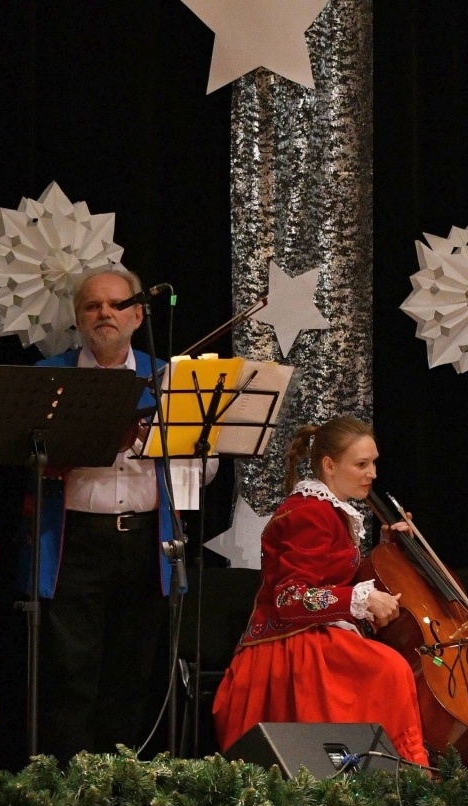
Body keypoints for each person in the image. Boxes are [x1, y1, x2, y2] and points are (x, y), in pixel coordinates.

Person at [31, 266, 211, 760]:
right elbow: (26, 460)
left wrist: (162, 445)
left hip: (146, 539)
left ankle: (121, 788)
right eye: (92, 306)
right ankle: (68, 789)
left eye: (115, 305)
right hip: (75, 541)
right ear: (78, 318)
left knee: (133, 673)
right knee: (71, 673)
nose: (104, 314)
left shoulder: (170, 376)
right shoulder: (54, 374)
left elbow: (206, 468)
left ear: (137, 315)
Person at [210, 417, 427, 766]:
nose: (372, 473)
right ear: (329, 465)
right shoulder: (309, 513)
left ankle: (386, 772)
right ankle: (396, 772)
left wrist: (388, 547)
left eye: (373, 463)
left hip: (313, 634)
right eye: (361, 464)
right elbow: (289, 600)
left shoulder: (328, 511)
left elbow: (331, 573)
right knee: (391, 670)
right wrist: (359, 599)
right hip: (287, 645)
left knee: (389, 666)